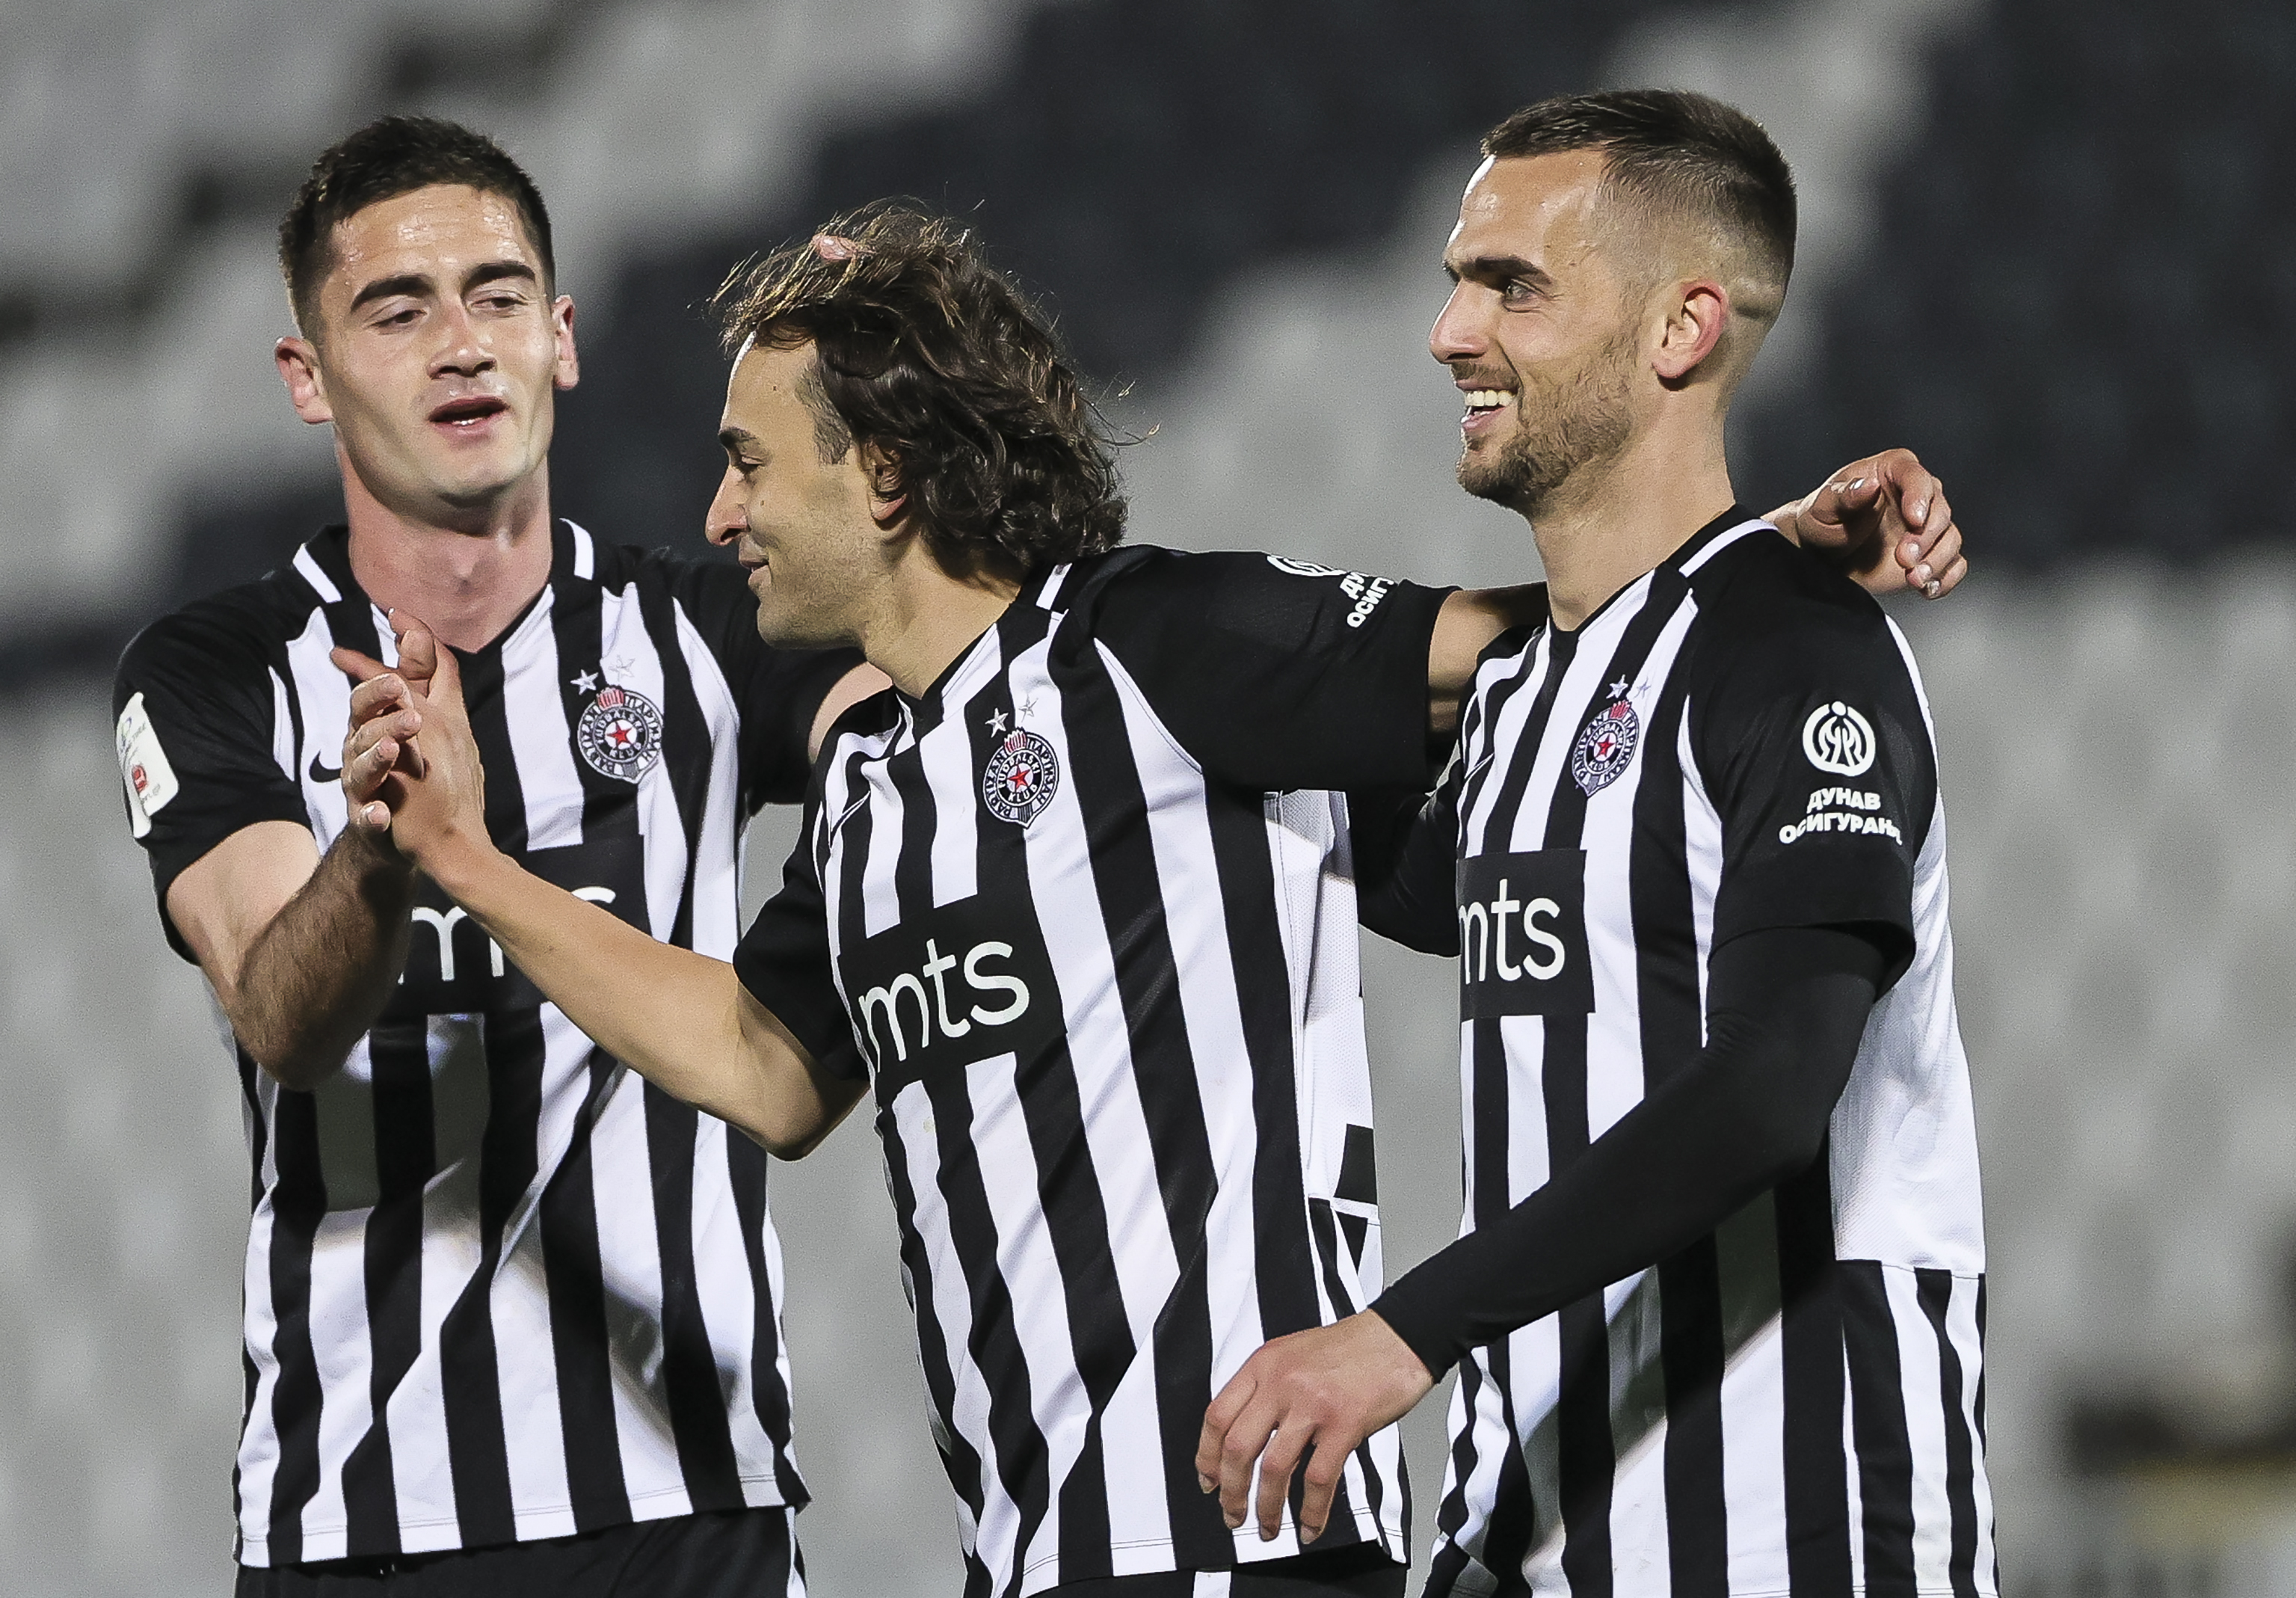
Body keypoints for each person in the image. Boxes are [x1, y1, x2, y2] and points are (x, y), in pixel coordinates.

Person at [337, 198, 1963, 1597]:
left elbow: (1530, 635)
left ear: (886, 476)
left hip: (1244, 1538)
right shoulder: (865, 786)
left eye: (750, 464)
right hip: (1037, 1552)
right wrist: (473, 867)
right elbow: (764, 1061)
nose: (718, 517)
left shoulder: (1152, 647)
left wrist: (1756, 553)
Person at [1195, 90, 1995, 1597]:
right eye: (1455, 279)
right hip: (1538, 1533)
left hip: (1790, 1528)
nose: (1448, 332)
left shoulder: (1795, 649)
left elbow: (1770, 1085)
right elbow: (1293, 806)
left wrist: (1401, 1330)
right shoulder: (1521, 698)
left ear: (1681, 329)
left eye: (1512, 284)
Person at [111, 117, 873, 1595]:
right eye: (397, 310)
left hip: (687, 1509)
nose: (462, 344)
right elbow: (281, 1014)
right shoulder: (215, 668)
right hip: (367, 1519)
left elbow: (936, 703)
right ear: (307, 379)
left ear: (564, 339)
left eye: (500, 294)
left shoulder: (714, 634)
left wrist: (901, 408)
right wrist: (391, 853)